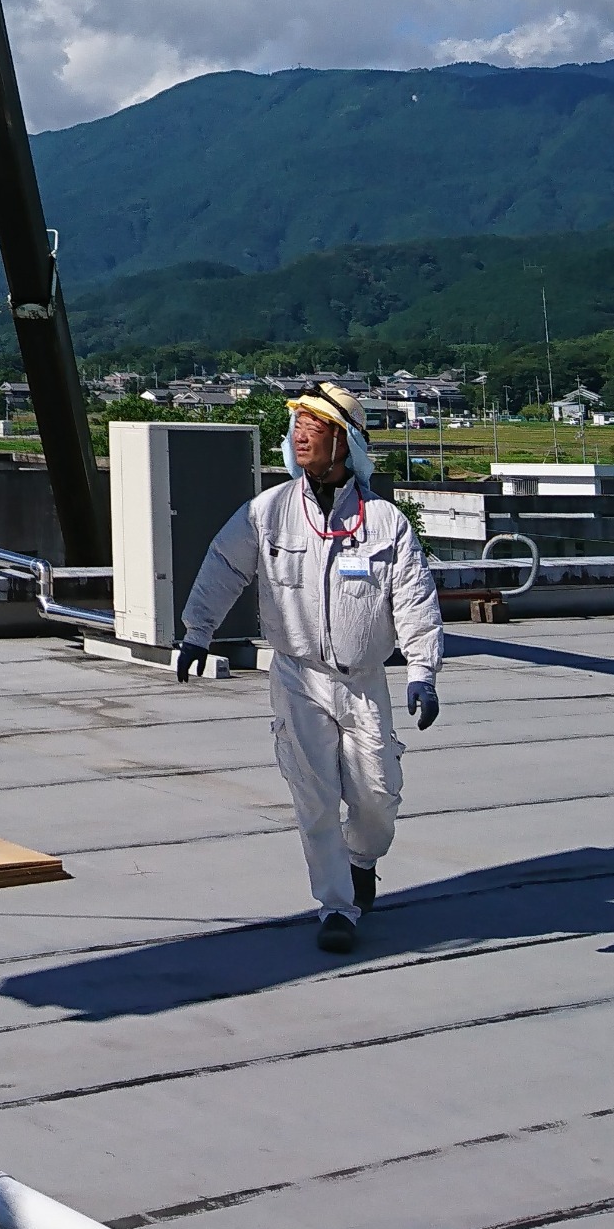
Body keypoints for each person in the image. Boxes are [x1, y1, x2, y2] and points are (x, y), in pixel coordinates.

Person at [177, 381, 444, 956]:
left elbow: (415, 600)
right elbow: (224, 565)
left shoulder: (385, 524)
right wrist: (198, 630)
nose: (300, 436)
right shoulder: (267, 513)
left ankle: (360, 858)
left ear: (345, 443)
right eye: (297, 425)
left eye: (315, 427)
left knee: (377, 795)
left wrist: (422, 670)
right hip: (297, 676)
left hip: (363, 682)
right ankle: (336, 906)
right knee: (315, 795)